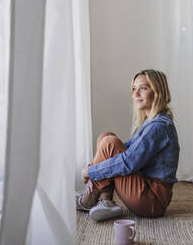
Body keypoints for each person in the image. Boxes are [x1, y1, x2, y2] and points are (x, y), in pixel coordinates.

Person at [77, 69, 180, 221]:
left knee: (110, 143)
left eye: (143, 88)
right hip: (145, 190)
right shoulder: (151, 122)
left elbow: (128, 162)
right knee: (107, 137)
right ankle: (105, 200)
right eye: (134, 89)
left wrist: (90, 171)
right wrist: (96, 166)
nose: (136, 94)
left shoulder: (159, 126)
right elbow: (125, 151)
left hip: (152, 200)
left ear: (158, 92)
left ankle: (90, 198)